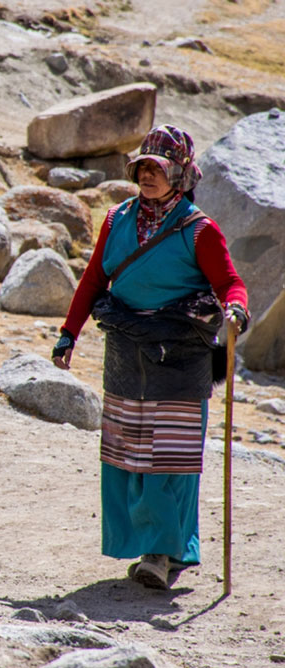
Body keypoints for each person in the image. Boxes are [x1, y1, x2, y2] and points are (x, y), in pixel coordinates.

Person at [51, 124, 249, 589]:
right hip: (125, 352)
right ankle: (164, 546)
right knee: (127, 454)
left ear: (180, 174)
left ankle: (159, 553)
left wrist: (236, 308)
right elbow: (94, 281)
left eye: (158, 169)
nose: (147, 176)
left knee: (169, 459)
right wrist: (68, 333)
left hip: (181, 357)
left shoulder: (199, 230)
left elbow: (229, 284)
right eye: (142, 167)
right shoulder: (116, 219)